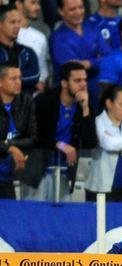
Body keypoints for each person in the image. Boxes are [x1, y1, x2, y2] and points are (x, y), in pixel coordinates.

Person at [31, 60, 90, 198]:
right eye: (77, 80)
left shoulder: (84, 105)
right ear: (64, 83)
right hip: (38, 171)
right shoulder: (43, 102)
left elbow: (89, 142)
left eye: (85, 80)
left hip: (65, 172)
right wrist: (60, 144)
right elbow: (33, 136)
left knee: (61, 216)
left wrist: (86, 109)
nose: (83, 84)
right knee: (34, 215)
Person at [0, 64, 34, 198]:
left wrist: (11, 147)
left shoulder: (26, 103)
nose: (18, 82)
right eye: (13, 78)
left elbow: (33, 137)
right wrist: (11, 149)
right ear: (1, 82)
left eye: (19, 78)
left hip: (8, 178)